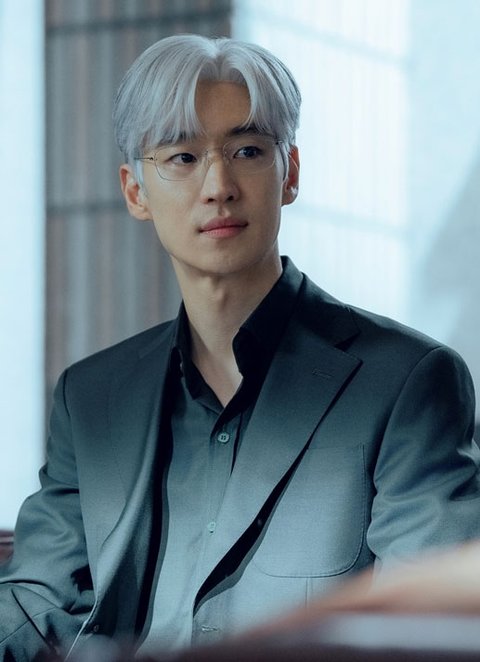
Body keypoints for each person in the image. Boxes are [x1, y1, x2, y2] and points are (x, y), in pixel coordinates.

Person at [1, 33, 480, 662]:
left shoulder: (408, 382)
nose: (219, 185)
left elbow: (422, 625)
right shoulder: (90, 397)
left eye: (248, 150)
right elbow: (34, 609)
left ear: (290, 173)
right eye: (182, 157)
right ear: (135, 192)